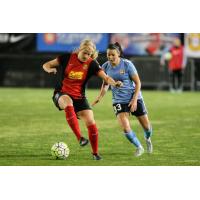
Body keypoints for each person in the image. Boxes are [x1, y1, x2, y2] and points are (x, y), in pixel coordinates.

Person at [43, 39, 122, 160]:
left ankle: (95, 154)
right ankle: (80, 138)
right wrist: (49, 69)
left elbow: (106, 78)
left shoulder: (92, 64)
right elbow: (46, 64)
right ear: (80, 49)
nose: (87, 56)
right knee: (68, 103)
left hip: (79, 97)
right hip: (61, 93)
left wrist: (115, 83)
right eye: (85, 52)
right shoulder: (66, 58)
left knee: (91, 122)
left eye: (89, 54)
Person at [92, 42, 153, 157]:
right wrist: (99, 97)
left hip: (134, 97)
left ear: (118, 54)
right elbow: (106, 84)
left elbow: (138, 83)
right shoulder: (105, 66)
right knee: (125, 127)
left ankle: (148, 137)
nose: (110, 57)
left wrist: (134, 100)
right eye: (108, 55)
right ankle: (139, 147)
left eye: (113, 55)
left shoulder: (127, 64)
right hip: (119, 100)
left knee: (147, 127)